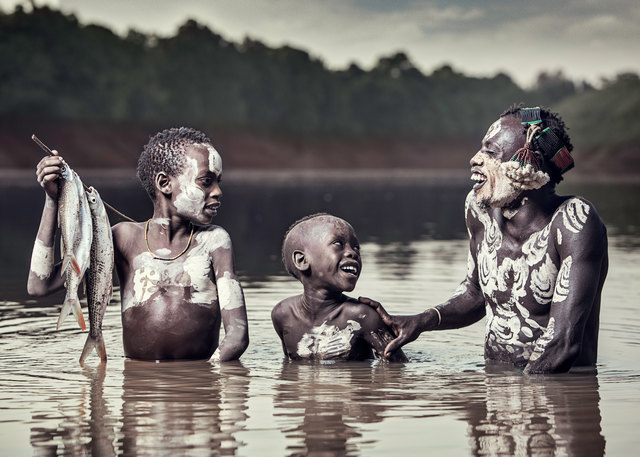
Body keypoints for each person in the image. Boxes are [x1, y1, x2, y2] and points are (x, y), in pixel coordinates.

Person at [361, 105, 608, 374]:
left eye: (491, 152)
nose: (475, 159)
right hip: (495, 389)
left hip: (555, 394)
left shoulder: (574, 221)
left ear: (527, 160)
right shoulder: (480, 211)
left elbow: (563, 344)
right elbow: (475, 293)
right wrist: (422, 321)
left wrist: (517, 393)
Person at [27, 127, 249, 362]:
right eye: (206, 182)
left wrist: (202, 378)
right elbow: (39, 286)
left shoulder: (214, 241)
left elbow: (237, 336)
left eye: (218, 182)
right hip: (138, 395)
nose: (218, 191)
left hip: (200, 392)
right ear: (164, 183)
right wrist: (52, 201)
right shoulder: (123, 238)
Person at [272, 213, 407, 361]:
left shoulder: (362, 316)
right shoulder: (283, 315)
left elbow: (398, 369)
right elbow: (288, 366)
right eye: (338, 244)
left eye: (356, 247)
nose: (352, 253)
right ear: (302, 260)